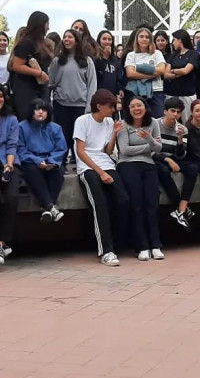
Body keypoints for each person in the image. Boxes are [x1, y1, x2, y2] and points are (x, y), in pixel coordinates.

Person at [73, 89, 129, 266]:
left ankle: (117, 243)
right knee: (100, 205)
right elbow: (80, 152)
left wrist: (114, 133)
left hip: (106, 163)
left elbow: (107, 150)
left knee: (124, 200)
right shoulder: (82, 121)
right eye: (110, 106)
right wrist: (100, 172)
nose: (113, 109)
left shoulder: (109, 121)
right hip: (88, 167)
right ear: (99, 106)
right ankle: (106, 250)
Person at [116, 97, 164, 261]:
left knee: (151, 205)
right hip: (127, 166)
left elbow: (158, 147)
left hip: (148, 165)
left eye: (139, 105)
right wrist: (148, 146)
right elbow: (125, 150)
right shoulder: (123, 125)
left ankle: (155, 245)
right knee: (137, 206)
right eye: (132, 106)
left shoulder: (154, 123)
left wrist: (149, 140)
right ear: (128, 110)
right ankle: (142, 246)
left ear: (145, 107)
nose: (136, 109)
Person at [48, 29, 97, 165]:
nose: (66, 39)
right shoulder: (57, 61)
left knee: (78, 137)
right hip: (61, 104)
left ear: (77, 41)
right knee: (63, 136)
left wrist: (89, 106)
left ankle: (79, 161)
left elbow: (92, 84)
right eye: (65, 37)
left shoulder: (87, 61)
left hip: (80, 106)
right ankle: (61, 162)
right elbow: (50, 82)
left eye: (70, 37)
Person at [153, 97, 199, 229]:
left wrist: (180, 139)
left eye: (178, 112)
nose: (175, 115)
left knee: (192, 168)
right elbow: (149, 150)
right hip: (158, 158)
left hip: (176, 158)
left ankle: (181, 210)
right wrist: (167, 159)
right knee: (162, 170)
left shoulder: (183, 129)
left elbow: (181, 155)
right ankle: (178, 205)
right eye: (172, 111)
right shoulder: (154, 125)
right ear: (165, 111)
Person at [18, 98, 66, 222]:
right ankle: (51, 206)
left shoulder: (55, 128)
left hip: (50, 159)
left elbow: (61, 149)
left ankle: (47, 208)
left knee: (58, 171)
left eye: (44, 110)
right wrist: (37, 160)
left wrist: (51, 162)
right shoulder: (22, 127)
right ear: (31, 111)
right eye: (37, 109)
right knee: (31, 170)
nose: (40, 112)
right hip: (30, 160)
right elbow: (20, 149)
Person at [10, 11, 52, 120]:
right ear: (40, 24)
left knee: (43, 120)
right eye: (47, 24)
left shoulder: (40, 42)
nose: (48, 28)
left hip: (40, 87)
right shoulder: (26, 42)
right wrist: (39, 73)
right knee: (29, 119)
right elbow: (17, 65)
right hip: (26, 88)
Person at [123, 25, 167, 118]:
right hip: (138, 93)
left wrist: (140, 68)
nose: (144, 39)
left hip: (156, 90)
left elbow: (162, 70)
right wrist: (152, 73)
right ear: (137, 39)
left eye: (147, 37)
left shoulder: (157, 53)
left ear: (151, 39)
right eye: (141, 36)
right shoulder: (131, 55)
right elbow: (130, 73)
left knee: (158, 118)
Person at [163, 28, 200, 122]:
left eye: (174, 40)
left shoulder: (193, 54)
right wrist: (177, 74)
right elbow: (166, 74)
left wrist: (173, 71)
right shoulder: (173, 55)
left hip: (187, 95)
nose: (173, 43)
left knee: (187, 121)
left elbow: (186, 70)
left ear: (180, 40)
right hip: (172, 94)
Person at [0, 86, 19, 263]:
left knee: (11, 197)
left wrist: (9, 164)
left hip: (8, 163)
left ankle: (3, 242)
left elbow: (12, 145)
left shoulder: (11, 119)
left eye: (0, 96)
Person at [95, 30, 124, 100]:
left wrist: (120, 89)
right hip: (98, 95)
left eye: (109, 39)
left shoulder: (114, 60)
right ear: (99, 40)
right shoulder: (94, 57)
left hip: (112, 95)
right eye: (104, 39)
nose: (107, 42)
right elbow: (97, 74)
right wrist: (104, 57)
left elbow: (118, 77)